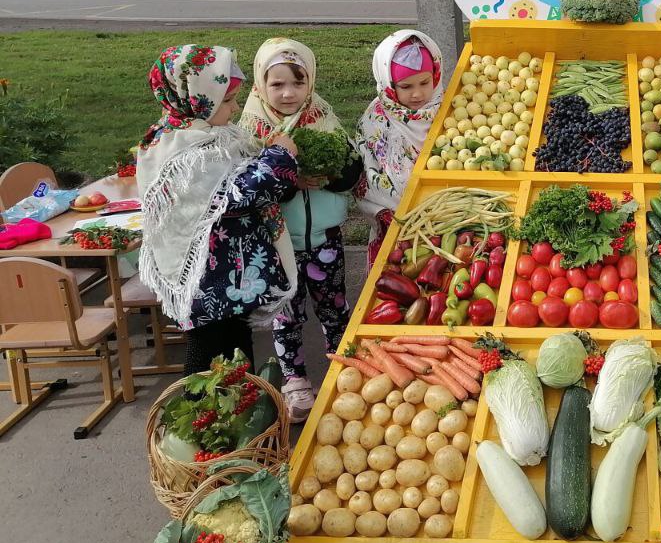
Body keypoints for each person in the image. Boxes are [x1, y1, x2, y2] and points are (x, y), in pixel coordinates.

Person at [136, 45, 299, 375]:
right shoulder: (182, 147)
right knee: (207, 353)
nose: (235, 107)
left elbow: (233, 173)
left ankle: (245, 413)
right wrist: (279, 157)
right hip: (205, 280)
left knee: (237, 346)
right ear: (194, 99)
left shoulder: (202, 134)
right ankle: (200, 420)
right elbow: (237, 194)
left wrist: (259, 154)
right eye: (226, 101)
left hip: (228, 276)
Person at [240, 37, 360, 422]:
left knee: (335, 308)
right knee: (286, 315)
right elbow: (250, 188)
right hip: (278, 242)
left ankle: (345, 372)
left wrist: (332, 176)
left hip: (325, 237)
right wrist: (292, 178)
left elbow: (352, 169)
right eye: (277, 84)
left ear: (312, 81)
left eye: (298, 81)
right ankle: (295, 381)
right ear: (260, 85)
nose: (289, 93)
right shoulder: (251, 131)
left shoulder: (324, 118)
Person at [355, 30, 445, 266]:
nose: (418, 94)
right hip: (400, 226)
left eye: (425, 82)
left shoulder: (447, 108)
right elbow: (371, 178)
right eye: (406, 87)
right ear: (388, 84)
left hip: (448, 219)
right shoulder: (376, 120)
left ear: (436, 74)